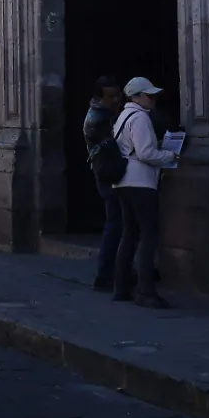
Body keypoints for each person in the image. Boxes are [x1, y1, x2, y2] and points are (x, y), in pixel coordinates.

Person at [111, 77, 177, 308]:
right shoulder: (139, 117)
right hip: (140, 182)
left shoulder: (122, 117)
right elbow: (146, 153)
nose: (153, 99)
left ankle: (121, 287)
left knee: (129, 234)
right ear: (136, 97)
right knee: (149, 235)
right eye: (149, 95)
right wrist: (170, 156)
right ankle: (146, 290)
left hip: (123, 182)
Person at [83, 76, 126, 292]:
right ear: (99, 97)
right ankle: (105, 274)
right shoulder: (99, 118)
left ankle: (116, 269)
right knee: (115, 224)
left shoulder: (105, 114)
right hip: (109, 177)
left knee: (118, 224)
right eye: (111, 96)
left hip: (109, 175)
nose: (116, 99)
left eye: (117, 95)